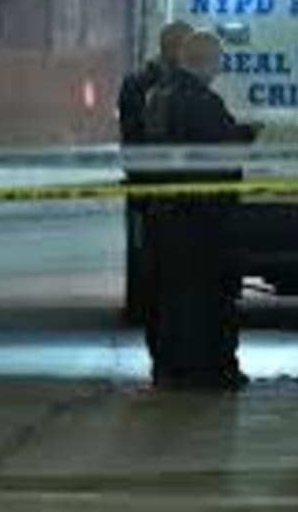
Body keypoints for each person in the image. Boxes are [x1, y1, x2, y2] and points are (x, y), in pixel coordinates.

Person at [144, 31, 255, 391]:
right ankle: (211, 369)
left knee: (169, 295)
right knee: (211, 294)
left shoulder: (158, 97)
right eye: (218, 60)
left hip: (165, 211)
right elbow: (220, 154)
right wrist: (243, 138)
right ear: (207, 62)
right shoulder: (204, 101)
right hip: (204, 216)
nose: (220, 68)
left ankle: (169, 366)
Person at [118, 20, 192, 385]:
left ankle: (168, 359)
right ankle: (169, 359)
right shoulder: (152, 88)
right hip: (160, 197)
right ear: (175, 49)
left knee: (162, 281)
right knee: (166, 283)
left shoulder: (141, 84)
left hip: (154, 194)